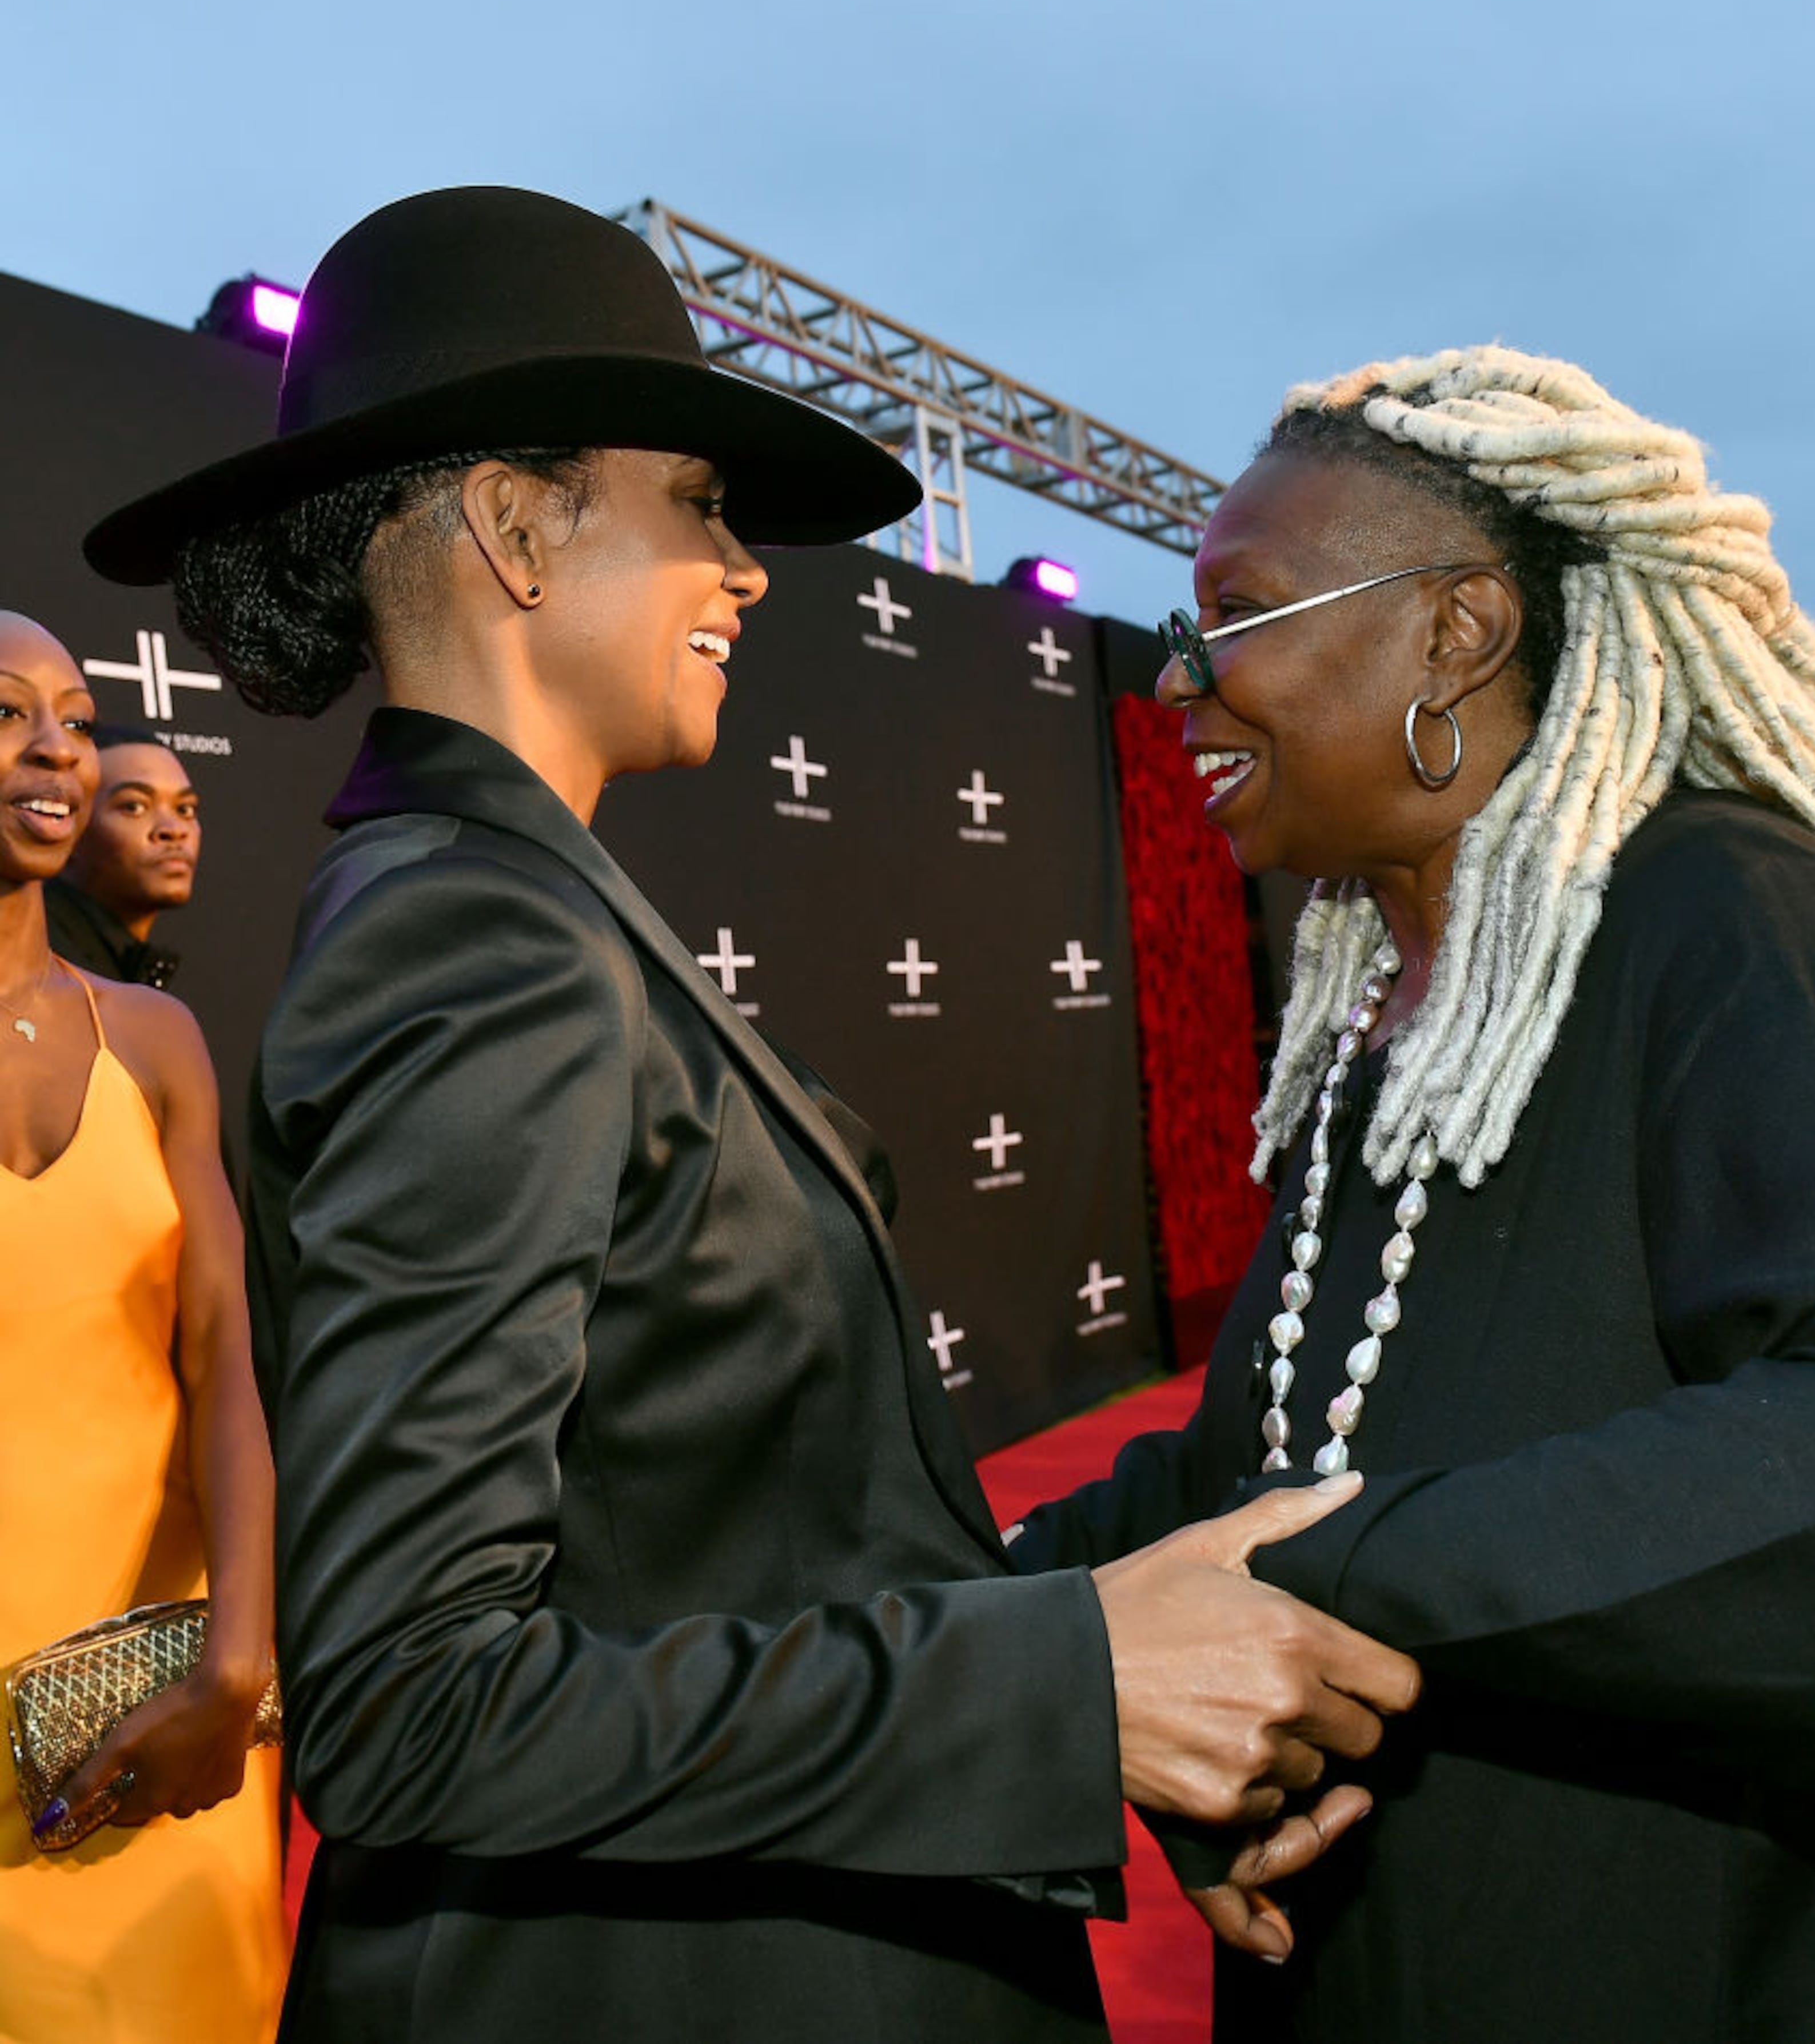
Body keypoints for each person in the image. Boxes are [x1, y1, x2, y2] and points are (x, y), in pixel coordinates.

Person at [79, 186, 1419, 2044]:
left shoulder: (512, 911)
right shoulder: (474, 942)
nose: (752, 569)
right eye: (698, 501)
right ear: (517, 526)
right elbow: (407, 1707)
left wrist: (1100, 1662)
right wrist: (1064, 1690)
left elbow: (739, 1544)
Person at [1009, 348, 1815, 2041]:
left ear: (1456, 630)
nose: (1180, 683)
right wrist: (983, 1631)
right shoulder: (1401, 1008)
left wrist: (1330, 1577)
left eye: (1236, 616)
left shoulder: (1718, 907)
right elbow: (1276, 1448)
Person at [0, 612, 284, 2042]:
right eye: (6, 713)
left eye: (72, 715)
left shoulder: (155, 1044)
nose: (52, 744)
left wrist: (239, 1656)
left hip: (163, 1716)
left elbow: (226, 1356)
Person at [42, 724, 200, 987]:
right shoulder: (35, 960)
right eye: (134, 806)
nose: (173, 830)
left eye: (185, 809)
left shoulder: (120, 969)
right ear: (64, 822)